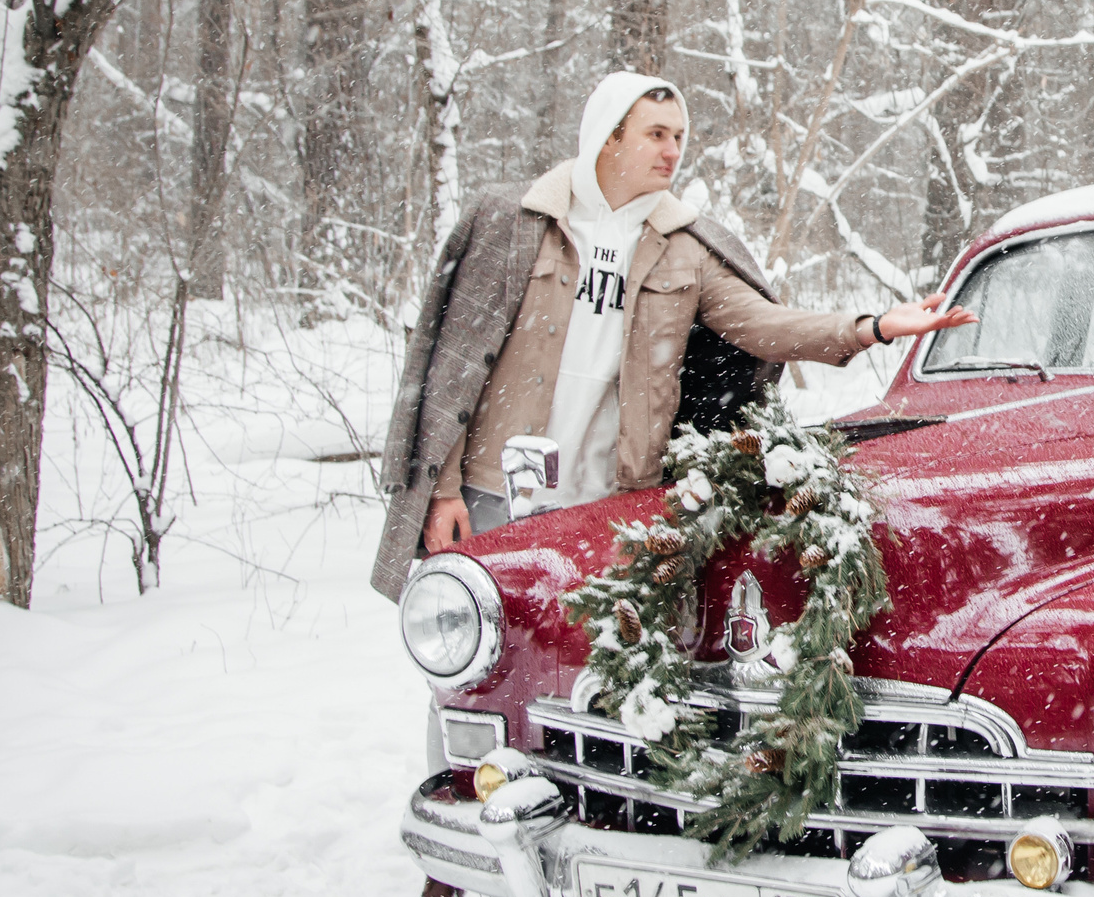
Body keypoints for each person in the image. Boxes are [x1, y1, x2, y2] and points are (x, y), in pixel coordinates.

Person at [373, 72, 972, 599]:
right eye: (656, 133)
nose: (673, 150)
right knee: (479, 651)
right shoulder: (513, 221)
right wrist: (443, 488)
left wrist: (874, 327)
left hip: (611, 496)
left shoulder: (681, 246)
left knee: (585, 660)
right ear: (609, 135)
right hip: (497, 491)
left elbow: (763, 325)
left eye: (680, 136)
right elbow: (452, 368)